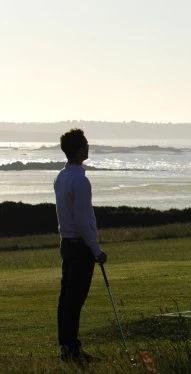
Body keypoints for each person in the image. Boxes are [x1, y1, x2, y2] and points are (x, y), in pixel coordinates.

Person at [54, 129, 107, 361]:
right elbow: (83, 221)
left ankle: (67, 347)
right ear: (78, 150)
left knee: (66, 299)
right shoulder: (81, 181)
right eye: (85, 144)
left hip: (67, 243)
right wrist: (97, 250)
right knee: (74, 301)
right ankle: (72, 350)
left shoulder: (61, 177)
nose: (88, 147)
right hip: (80, 246)